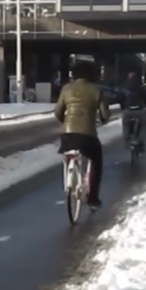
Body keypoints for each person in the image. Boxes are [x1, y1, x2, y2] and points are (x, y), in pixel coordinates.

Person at [54, 59, 110, 208]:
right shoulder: (96, 90)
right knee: (96, 161)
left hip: (67, 135)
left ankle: (69, 176)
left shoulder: (66, 88)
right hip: (88, 137)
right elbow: (105, 115)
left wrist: (65, 122)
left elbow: (58, 113)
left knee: (69, 152)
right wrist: (103, 119)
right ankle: (93, 198)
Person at [120, 72, 146, 152]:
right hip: (139, 110)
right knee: (144, 126)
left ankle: (127, 140)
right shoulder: (141, 88)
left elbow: (120, 98)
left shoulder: (124, 88)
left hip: (128, 111)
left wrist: (123, 107)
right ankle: (141, 142)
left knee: (125, 124)